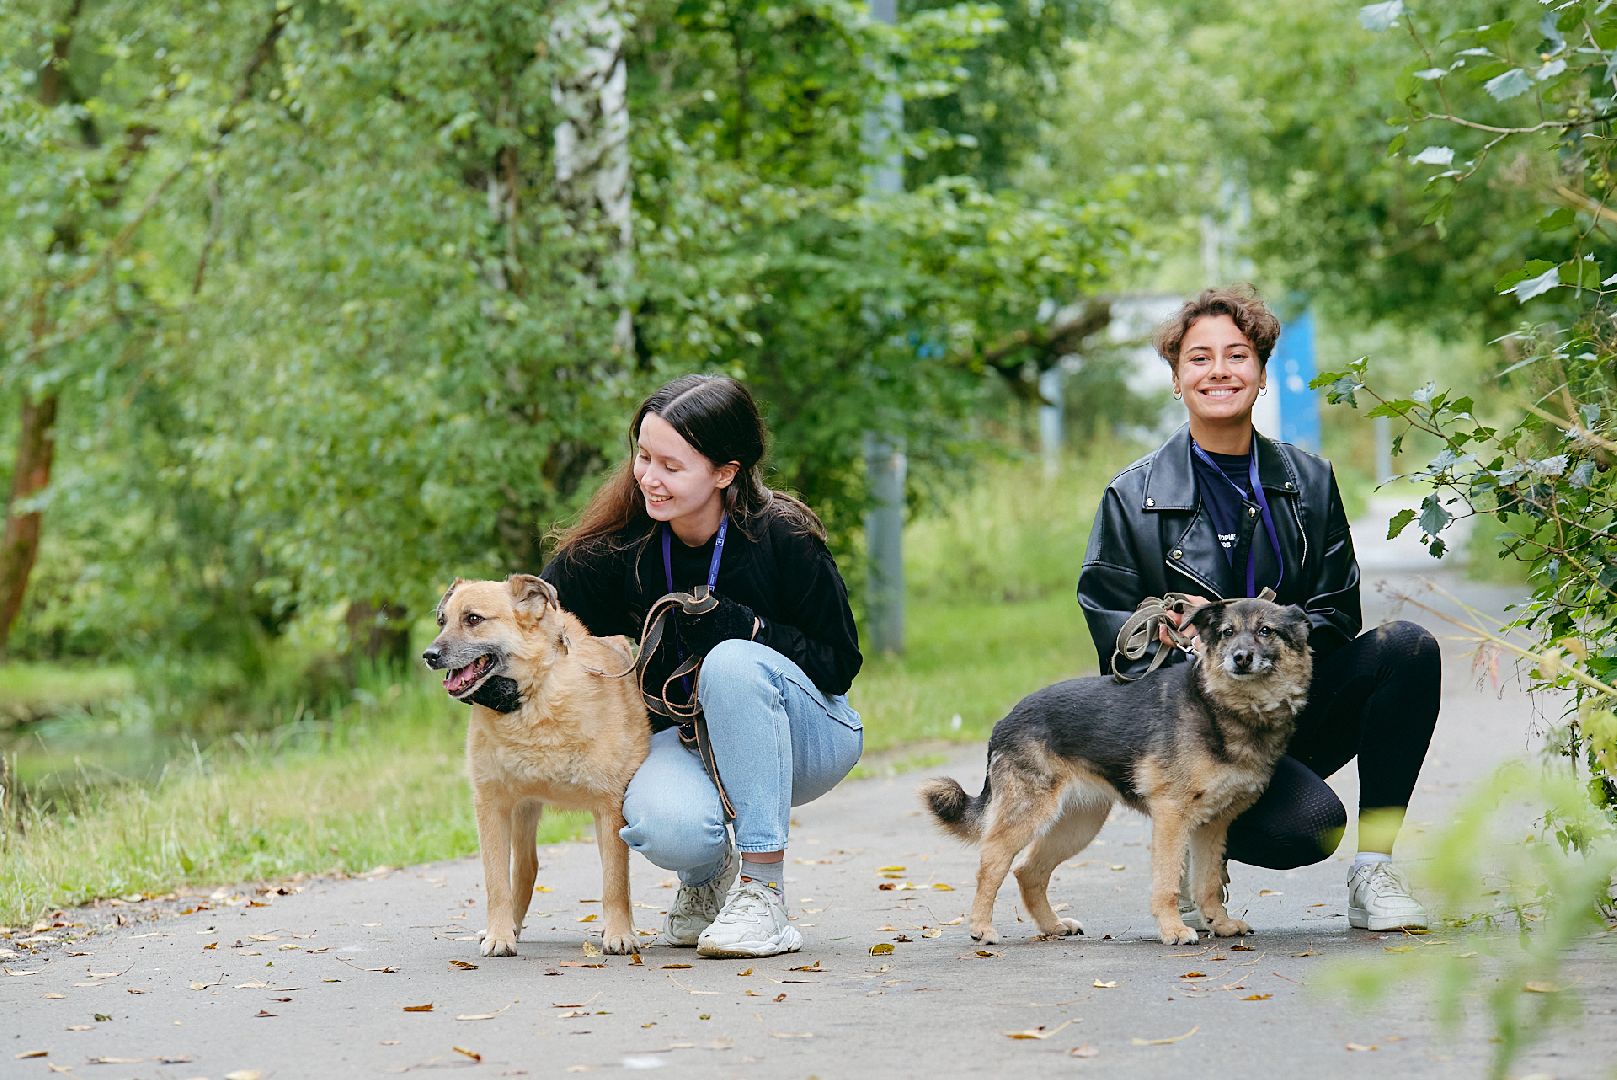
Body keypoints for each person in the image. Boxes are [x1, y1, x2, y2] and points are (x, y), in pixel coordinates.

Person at [1076, 285, 1438, 931]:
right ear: (1176, 379)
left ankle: (1374, 870)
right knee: (1307, 829)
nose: (1218, 370)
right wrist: (1179, 635)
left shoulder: (1310, 482)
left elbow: (1336, 614)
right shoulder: (1132, 497)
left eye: (1236, 355)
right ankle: (1195, 844)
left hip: (1290, 708)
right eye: (1199, 358)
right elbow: (1114, 639)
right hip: (1200, 731)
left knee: (1408, 647)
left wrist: (1255, 628)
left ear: (1262, 373)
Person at [540, 374, 863, 958]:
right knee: (662, 826)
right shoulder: (622, 544)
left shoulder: (782, 536)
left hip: (806, 738)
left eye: (671, 465)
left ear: (724, 472)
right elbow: (535, 619)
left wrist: (750, 629)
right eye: (644, 456)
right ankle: (708, 879)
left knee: (731, 663)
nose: (648, 478)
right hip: (688, 738)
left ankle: (764, 895)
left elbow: (839, 666)